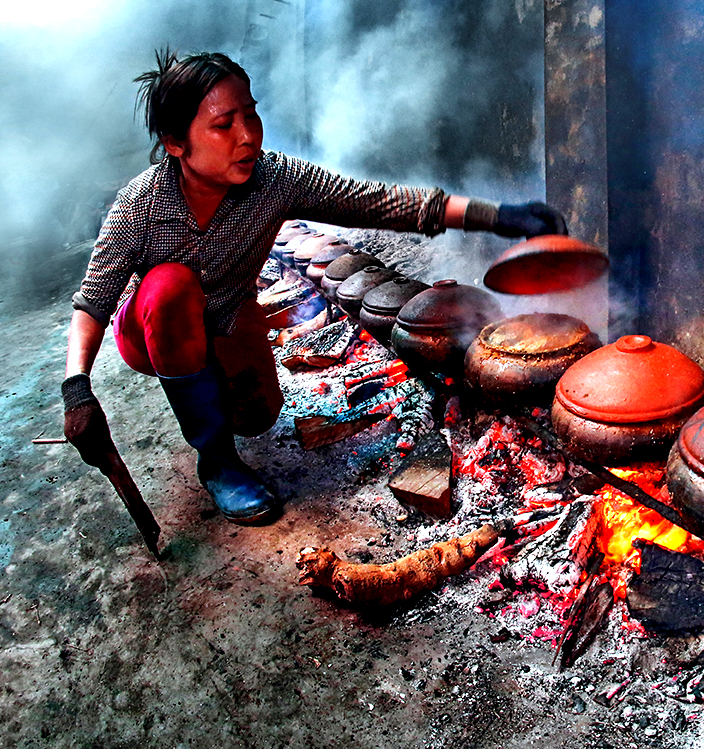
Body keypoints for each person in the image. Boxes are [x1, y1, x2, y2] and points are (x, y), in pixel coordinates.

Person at [61, 50, 566, 526]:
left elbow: (374, 202)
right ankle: (216, 464)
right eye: (223, 125)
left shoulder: (273, 179)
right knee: (171, 286)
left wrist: (494, 216)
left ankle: (212, 387)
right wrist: (77, 391)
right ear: (176, 143)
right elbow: (93, 301)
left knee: (258, 416)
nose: (248, 137)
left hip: (228, 322)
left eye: (250, 116)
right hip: (152, 328)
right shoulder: (143, 205)